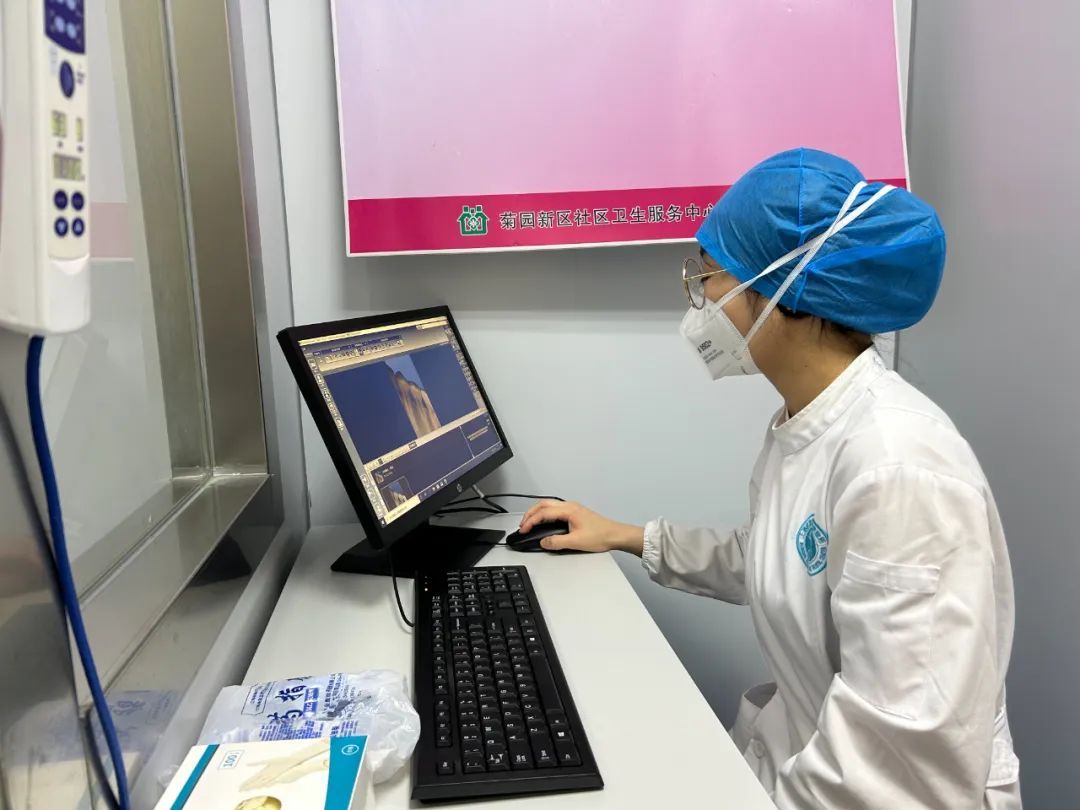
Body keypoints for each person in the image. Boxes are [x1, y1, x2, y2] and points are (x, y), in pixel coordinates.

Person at [520, 149, 1021, 808]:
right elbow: (777, 557)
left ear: (788, 291)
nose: (701, 300)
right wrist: (625, 535)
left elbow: (897, 772)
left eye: (711, 275)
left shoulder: (901, 471)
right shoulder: (809, 423)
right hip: (802, 761)